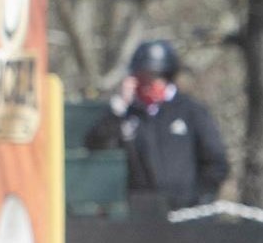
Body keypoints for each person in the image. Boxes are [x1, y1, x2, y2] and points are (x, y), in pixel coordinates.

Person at [83, 39, 229, 212]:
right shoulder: (127, 115)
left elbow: (216, 162)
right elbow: (96, 144)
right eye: (141, 78)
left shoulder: (191, 111)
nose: (148, 85)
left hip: (186, 210)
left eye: (153, 77)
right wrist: (119, 107)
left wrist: (198, 198)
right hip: (141, 211)